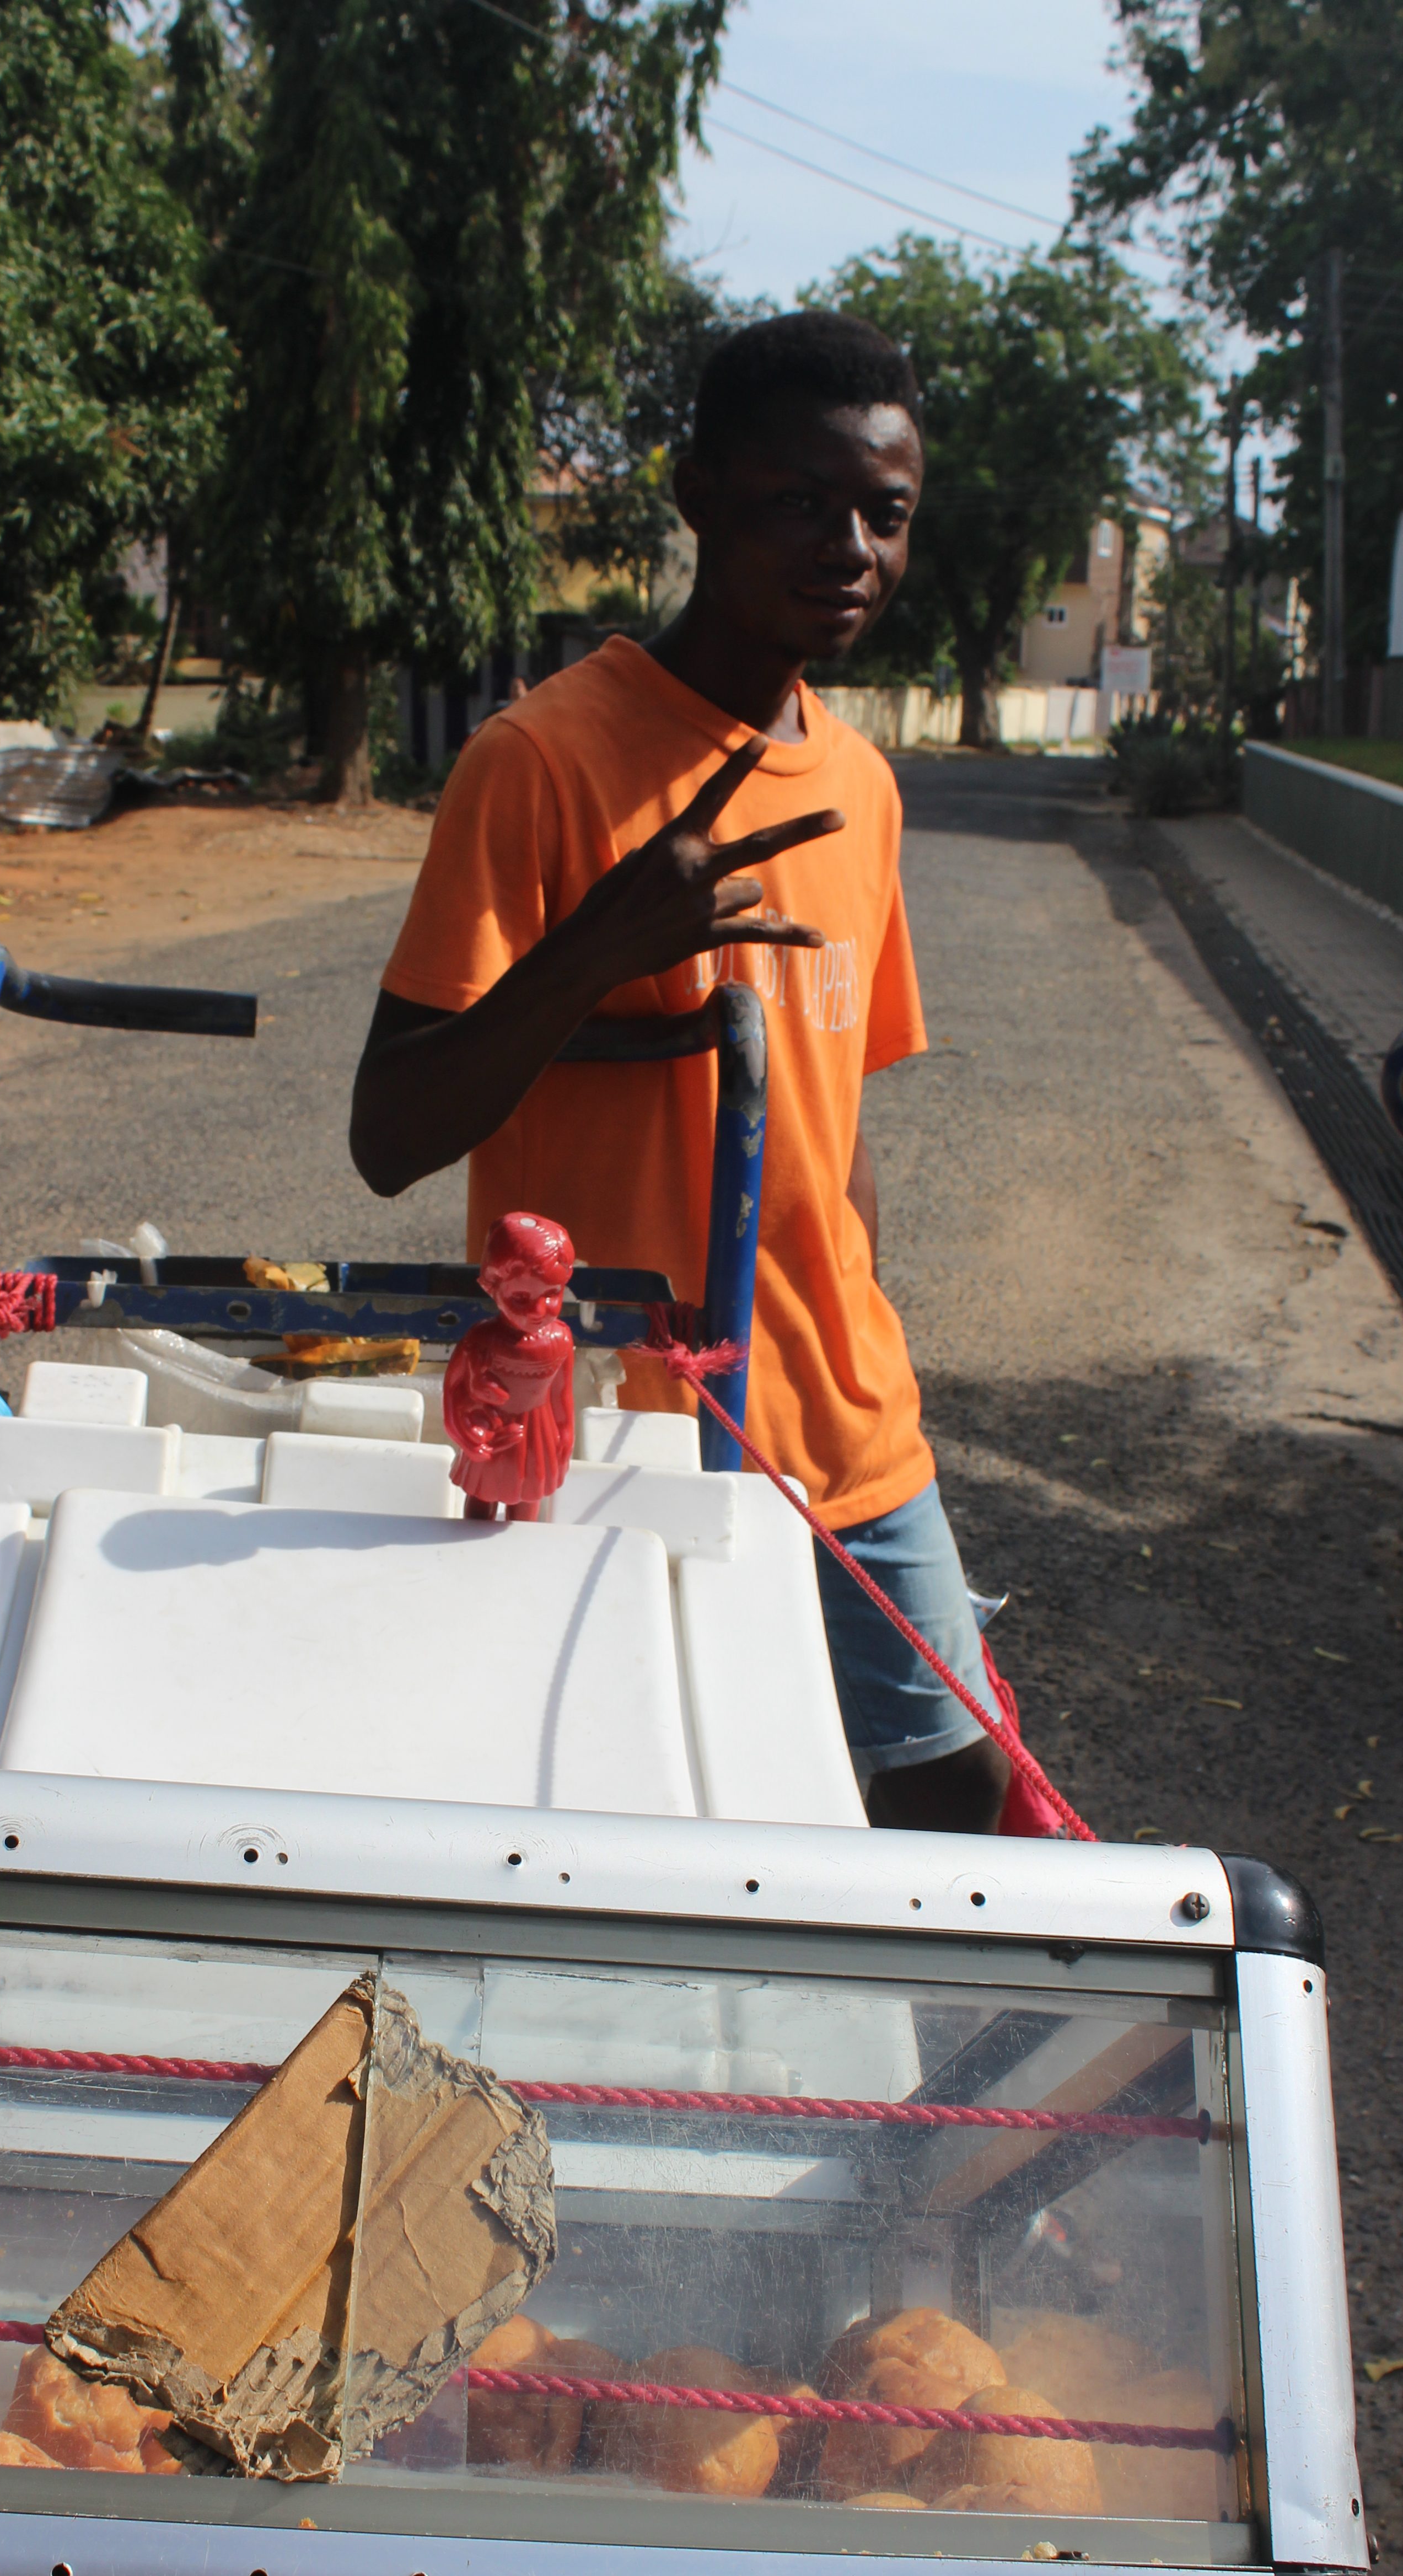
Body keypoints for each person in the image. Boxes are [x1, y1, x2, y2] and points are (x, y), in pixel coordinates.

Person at [349, 309, 1011, 1833]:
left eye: (885, 515)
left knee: (947, 1795)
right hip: (614, 1430)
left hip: (845, 1426)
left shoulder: (862, 784)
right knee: (641, 1829)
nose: (849, 548)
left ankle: (854, 2090)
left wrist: (855, 1333)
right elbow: (391, 1132)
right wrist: (594, 948)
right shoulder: (544, 761)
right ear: (697, 492)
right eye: (801, 503)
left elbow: (836, 1136)